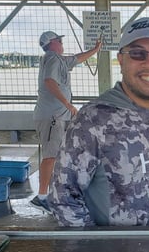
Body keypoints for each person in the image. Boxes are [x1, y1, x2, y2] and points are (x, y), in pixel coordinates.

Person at [48, 17, 149, 227]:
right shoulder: (92, 119)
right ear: (121, 59)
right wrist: (99, 251)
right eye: (137, 53)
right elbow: (63, 197)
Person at [30, 31, 102, 212]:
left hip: (58, 117)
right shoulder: (52, 58)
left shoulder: (59, 60)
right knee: (50, 155)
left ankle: (52, 193)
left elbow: (77, 58)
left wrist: (95, 49)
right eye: (59, 40)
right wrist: (68, 105)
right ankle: (41, 196)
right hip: (52, 116)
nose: (62, 43)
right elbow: (49, 81)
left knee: (57, 155)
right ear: (51, 43)